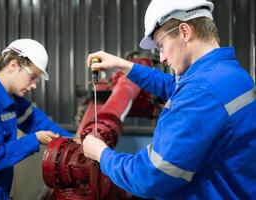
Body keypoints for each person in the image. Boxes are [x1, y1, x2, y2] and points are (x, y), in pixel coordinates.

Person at [82, 0, 256, 199]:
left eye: (161, 45)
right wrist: (123, 66)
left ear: (184, 31)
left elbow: (150, 176)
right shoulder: (230, 74)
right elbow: (173, 86)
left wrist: (102, 154)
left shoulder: (201, 92)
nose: (162, 57)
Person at [0, 38, 74, 199]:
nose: (34, 86)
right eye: (32, 77)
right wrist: (35, 139)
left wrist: (73, 140)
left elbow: (37, 121)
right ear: (13, 65)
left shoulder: (9, 98)